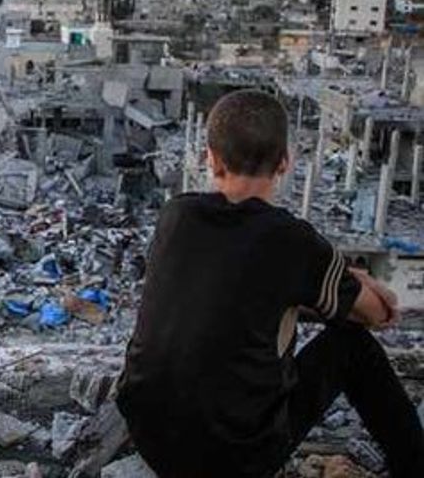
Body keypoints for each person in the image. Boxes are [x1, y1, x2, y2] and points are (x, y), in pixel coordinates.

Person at [116, 90, 424, 478]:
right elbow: (379, 314)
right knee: (351, 346)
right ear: (285, 163)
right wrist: (353, 280)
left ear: (210, 158)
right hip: (237, 459)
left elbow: (241, 292)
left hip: (150, 437)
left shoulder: (176, 216)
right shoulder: (292, 241)